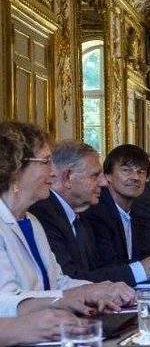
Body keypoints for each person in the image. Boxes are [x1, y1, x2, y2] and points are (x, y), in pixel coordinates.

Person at [0, 121, 134, 317]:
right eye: (46, 162)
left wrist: (100, 289)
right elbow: (6, 302)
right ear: (16, 167)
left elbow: (58, 282)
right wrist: (77, 295)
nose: (53, 172)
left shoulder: (32, 221)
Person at [29, 141, 150, 286]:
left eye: (141, 172)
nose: (103, 183)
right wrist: (141, 270)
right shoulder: (45, 214)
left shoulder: (79, 216)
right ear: (67, 177)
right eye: (95, 175)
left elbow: (98, 270)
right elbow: (69, 280)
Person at [83, 144, 150, 285]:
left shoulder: (135, 212)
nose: (135, 177)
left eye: (141, 172)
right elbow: (107, 270)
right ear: (107, 175)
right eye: (126, 170)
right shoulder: (97, 212)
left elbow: (146, 254)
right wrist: (144, 268)